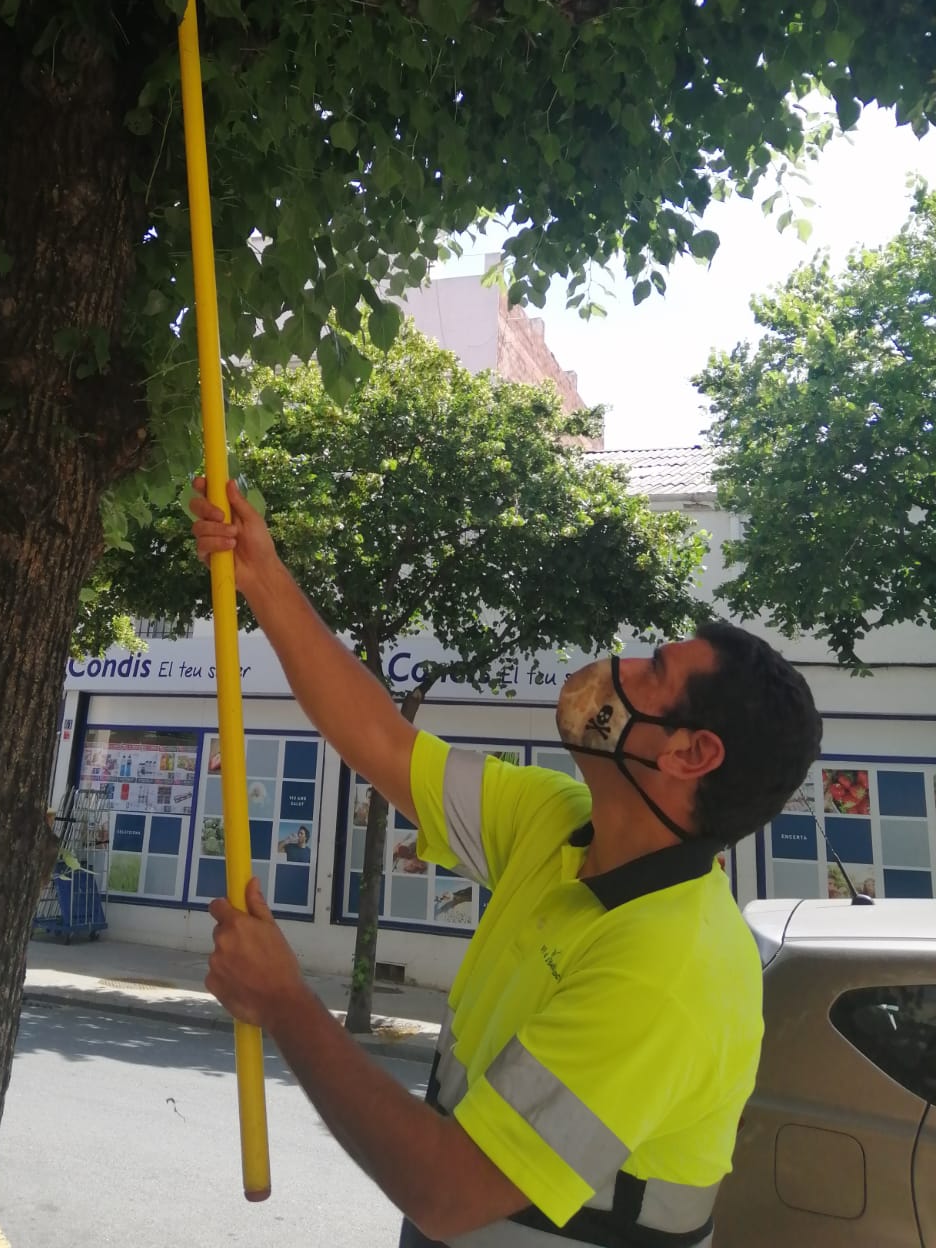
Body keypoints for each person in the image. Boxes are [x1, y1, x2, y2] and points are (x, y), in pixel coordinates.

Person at [191, 479, 822, 1248]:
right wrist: (261, 572)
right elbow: (383, 742)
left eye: (652, 670)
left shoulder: (673, 968)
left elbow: (449, 1192)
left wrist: (284, 1000)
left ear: (690, 753)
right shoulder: (554, 820)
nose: (618, 665)